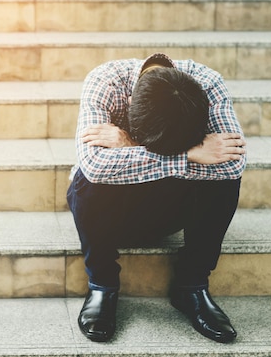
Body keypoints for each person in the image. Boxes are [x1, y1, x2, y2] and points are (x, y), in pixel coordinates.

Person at [67, 53, 246, 343]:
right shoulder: (105, 82)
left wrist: (129, 146)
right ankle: (102, 285)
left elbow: (233, 163)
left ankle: (191, 287)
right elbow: (95, 165)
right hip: (111, 211)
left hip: (172, 207)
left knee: (224, 179)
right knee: (88, 181)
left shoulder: (208, 84)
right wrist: (188, 152)